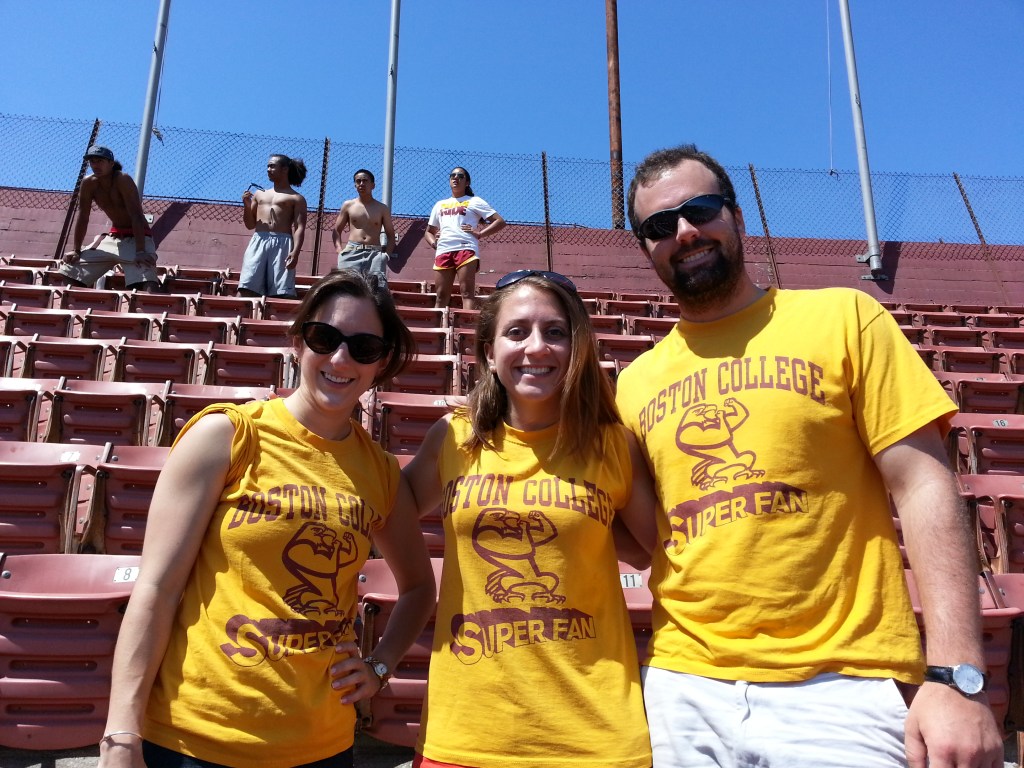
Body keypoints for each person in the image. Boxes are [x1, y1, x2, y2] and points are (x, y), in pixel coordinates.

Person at [617, 144, 1003, 768]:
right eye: (660, 226)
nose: (685, 232)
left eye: (702, 209)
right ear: (645, 249)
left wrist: (955, 675)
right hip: (683, 687)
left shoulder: (845, 317)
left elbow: (925, 486)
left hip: (843, 684)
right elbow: (637, 537)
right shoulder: (634, 383)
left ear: (736, 217)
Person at [97, 269, 436, 768]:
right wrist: (121, 733)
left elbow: (418, 588)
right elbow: (156, 589)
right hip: (194, 738)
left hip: (322, 744)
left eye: (364, 347)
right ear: (299, 342)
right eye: (326, 338)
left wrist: (379, 665)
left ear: (380, 363)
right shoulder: (227, 436)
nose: (341, 359)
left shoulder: (380, 472)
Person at [403, 269, 658, 768]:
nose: (537, 347)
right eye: (517, 331)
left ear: (576, 348)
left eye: (555, 332)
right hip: (466, 734)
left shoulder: (611, 445)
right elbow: (379, 515)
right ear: (488, 353)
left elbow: (666, 555)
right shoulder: (454, 437)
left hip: (595, 736)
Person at [57, 145, 160, 292]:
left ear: (111, 163)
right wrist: (76, 250)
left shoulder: (123, 179)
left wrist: (141, 251)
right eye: (92, 161)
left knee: (146, 280)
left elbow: (136, 215)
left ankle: (150, 311)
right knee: (71, 272)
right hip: (113, 239)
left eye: (100, 161)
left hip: (137, 239)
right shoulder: (88, 183)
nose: (95, 165)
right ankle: (75, 312)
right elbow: (83, 216)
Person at [425, 166, 505, 311]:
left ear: (467, 182)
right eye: (452, 175)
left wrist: (480, 234)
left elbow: (499, 221)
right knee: (441, 296)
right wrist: (434, 243)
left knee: (467, 293)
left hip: (466, 248)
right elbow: (429, 232)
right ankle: (437, 331)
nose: (456, 178)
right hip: (443, 250)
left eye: (460, 176)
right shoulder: (439, 205)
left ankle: (468, 329)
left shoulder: (475, 201)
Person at [240, 154, 308, 298]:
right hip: (258, 241)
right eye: (267, 166)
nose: (268, 169)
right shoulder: (259, 194)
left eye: (272, 166)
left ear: (284, 169)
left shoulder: (297, 198)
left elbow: (299, 227)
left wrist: (295, 252)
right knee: (246, 288)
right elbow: (250, 225)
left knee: (281, 292)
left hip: (283, 243)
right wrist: (246, 205)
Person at [333, 169, 395, 282]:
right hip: (351, 252)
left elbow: (391, 235)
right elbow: (337, 230)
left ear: (373, 185)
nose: (361, 184)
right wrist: (339, 250)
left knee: (376, 289)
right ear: (355, 185)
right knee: (346, 287)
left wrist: (385, 256)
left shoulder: (382, 208)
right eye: (358, 181)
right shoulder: (348, 205)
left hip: (375, 254)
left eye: (365, 181)